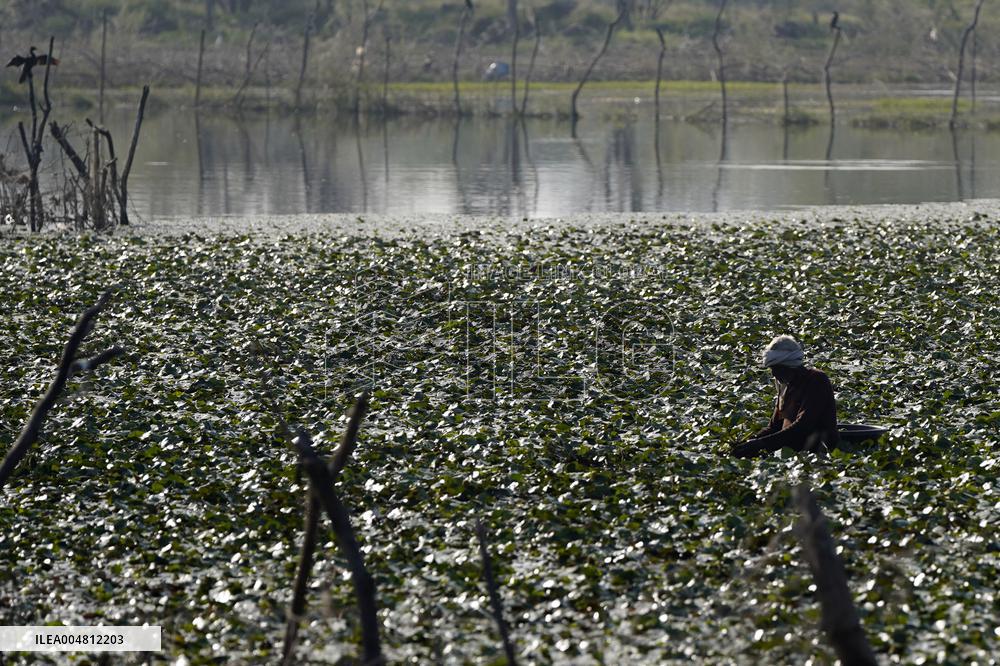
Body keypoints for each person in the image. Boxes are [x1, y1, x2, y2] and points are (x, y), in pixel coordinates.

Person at [732, 335, 838, 458]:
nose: (773, 374)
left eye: (776, 368)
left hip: (817, 450)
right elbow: (775, 426)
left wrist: (761, 443)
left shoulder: (816, 380)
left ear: (790, 366)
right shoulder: (785, 385)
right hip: (788, 448)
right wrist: (751, 440)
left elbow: (803, 426)